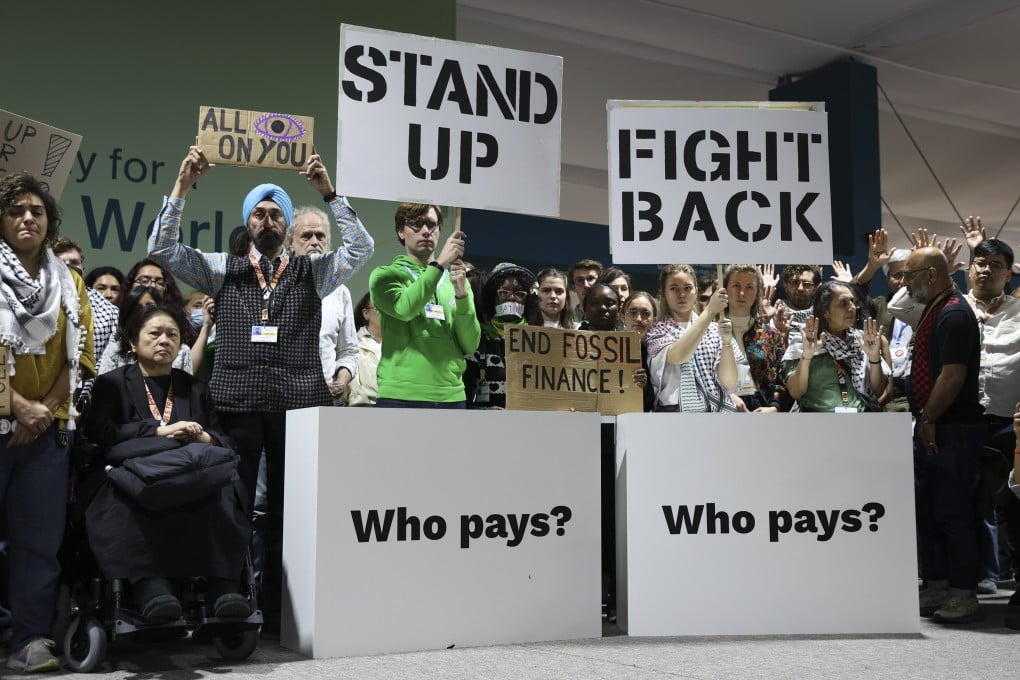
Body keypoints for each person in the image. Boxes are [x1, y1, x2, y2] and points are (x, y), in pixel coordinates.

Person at [148, 144, 374, 628]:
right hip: (236, 400)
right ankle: (229, 594)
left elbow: (361, 249)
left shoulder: (314, 272)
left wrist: (329, 194)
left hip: (297, 404)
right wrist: (182, 188)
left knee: (291, 508)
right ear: (248, 222)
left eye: (276, 215)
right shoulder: (220, 269)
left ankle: (280, 605)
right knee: (234, 501)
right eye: (259, 214)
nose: (267, 221)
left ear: (287, 226)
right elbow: (163, 250)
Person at [83, 304, 251, 621]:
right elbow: (101, 432)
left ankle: (223, 588)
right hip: (133, 474)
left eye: (172, 334)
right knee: (120, 495)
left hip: (189, 474)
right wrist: (161, 431)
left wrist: (204, 438)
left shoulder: (195, 388)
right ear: (133, 342)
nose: (164, 340)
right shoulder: (112, 384)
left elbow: (222, 440)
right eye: (155, 333)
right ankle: (150, 588)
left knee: (223, 488)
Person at [0, 172, 95, 673]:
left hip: (48, 431)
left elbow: (80, 360)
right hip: (7, 418)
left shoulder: (70, 282)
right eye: (16, 210)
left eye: (36, 211)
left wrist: (39, 413)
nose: (27, 218)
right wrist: (15, 405)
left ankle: (31, 640)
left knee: (39, 544)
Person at [905, 247, 985, 624]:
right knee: (930, 510)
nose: (905, 282)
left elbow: (952, 376)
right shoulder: (936, 308)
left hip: (951, 428)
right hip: (935, 425)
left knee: (953, 512)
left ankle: (962, 592)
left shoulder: (953, 313)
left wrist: (929, 419)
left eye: (910, 274)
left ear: (932, 274)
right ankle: (936, 582)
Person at [369, 203, 478, 408]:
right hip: (401, 395)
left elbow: (470, 343)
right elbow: (405, 309)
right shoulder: (384, 276)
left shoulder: (456, 280)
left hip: (452, 396)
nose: (426, 231)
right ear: (401, 232)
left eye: (432, 225)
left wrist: (462, 296)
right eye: (417, 224)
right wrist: (439, 265)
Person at [960, 237, 1020, 593]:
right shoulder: (953, 305)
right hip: (965, 420)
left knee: (1013, 504)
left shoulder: (1017, 311)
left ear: (1009, 273)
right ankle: (975, 577)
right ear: (968, 270)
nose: (986, 270)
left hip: (1008, 421)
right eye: (980, 263)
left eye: (996, 264)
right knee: (965, 501)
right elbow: (903, 308)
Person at [287, 205, 359, 405]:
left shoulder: (340, 292)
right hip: (285, 399)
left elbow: (349, 351)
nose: (314, 242)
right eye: (306, 236)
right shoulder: (277, 286)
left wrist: (342, 380)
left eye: (320, 236)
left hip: (328, 399)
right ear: (290, 243)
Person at [782, 281, 887, 412]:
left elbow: (877, 391)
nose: (852, 307)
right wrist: (807, 356)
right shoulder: (805, 341)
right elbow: (796, 392)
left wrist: (874, 357)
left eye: (852, 301)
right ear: (825, 311)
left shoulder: (863, 340)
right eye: (843, 303)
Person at [646, 264, 737, 412]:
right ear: (664, 294)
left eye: (687, 288)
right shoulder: (656, 331)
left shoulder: (715, 330)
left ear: (696, 292)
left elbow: (728, 382)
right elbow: (678, 356)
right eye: (674, 288)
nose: (682, 294)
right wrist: (709, 311)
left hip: (714, 413)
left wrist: (727, 343)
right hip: (672, 414)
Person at [464, 262, 536, 409]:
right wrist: (483, 412)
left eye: (519, 293)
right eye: (504, 292)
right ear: (492, 297)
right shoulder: (479, 337)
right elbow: (465, 392)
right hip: (488, 425)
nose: (512, 298)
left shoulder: (536, 340)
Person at [722, 265, 790, 413]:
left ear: (758, 292)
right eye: (736, 286)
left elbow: (782, 379)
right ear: (725, 289)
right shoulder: (711, 332)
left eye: (749, 287)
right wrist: (726, 396)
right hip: (721, 410)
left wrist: (774, 407)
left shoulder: (772, 335)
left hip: (762, 415)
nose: (741, 293)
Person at [98, 286, 193, 375]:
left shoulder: (182, 351)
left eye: (150, 306)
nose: (144, 311)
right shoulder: (114, 349)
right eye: (137, 308)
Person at [622, 291, 657, 412]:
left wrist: (645, 387)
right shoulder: (610, 351)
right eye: (633, 313)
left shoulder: (660, 353)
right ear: (623, 317)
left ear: (654, 320)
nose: (638, 319)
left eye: (645, 313)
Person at [346, 292, 381, 406]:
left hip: (398, 407)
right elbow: (354, 390)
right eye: (380, 307)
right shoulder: (353, 344)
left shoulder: (401, 345)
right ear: (366, 313)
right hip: (366, 411)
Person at [567, 258, 602, 324]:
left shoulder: (611, 319)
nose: (586, 285)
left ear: (599, 283)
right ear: (573, 287)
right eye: (580, 280)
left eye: (590, 279)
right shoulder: (566, 320)